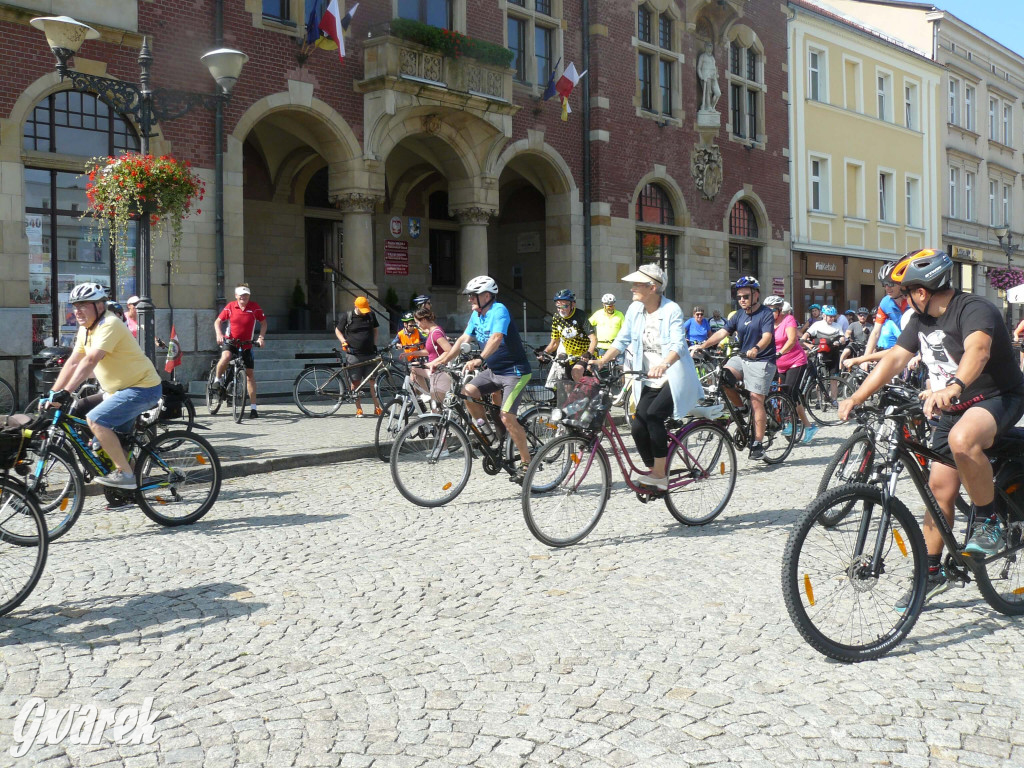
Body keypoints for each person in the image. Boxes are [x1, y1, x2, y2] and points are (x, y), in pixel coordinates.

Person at [839, 249, 1024, 610]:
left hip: (997, 396)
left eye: (903, 291)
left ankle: (989, 524)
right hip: (953, 406)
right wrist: (857, 397)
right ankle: (934, 573)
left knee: (962, 439)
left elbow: (979, 350)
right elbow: (895, 358)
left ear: (921, 292)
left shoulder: (974, 309)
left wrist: (954, 386)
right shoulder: (919, 320)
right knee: (938, 491)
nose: (899, 298)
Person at [596, 263, 704, 490]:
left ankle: (659, 475)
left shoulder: (671, 310)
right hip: (648, 377)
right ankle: (655, 467)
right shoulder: (635, 310)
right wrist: (601, 360)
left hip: (673, 376)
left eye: (637, 284)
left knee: (654, 416)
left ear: (652, 287)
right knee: (637, 426)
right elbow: (622, 339)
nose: (632, 288)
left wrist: (664, 364)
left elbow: (678, 345)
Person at [46, 283, 162, 490]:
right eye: (75, 306)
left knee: (96, 420)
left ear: (100, 306)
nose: (77, 311)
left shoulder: (110, 324)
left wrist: (66, 392)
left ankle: (126, 474)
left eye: (83, 305)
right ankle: (129, 486)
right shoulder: (85, 329)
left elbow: (90, 360)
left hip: (142, 388)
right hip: (116, 391)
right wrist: (54, 392)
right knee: (85, 419)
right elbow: (73, 361)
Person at [429, 276, 534, 479]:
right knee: (467, 392)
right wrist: (442, 361)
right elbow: (462, 340)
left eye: (473, 296)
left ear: (487, 296)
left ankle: (526, 463)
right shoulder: (477, 315)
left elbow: (496, 338)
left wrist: (480, 358)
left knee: (507, 416)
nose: (469, 300)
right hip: (494, 371)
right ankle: (489, 436)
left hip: (515, 372)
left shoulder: (499, 310)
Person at [695, 276, 776, 459]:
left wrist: (756, 348)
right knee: (723, 378)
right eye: (738, 297)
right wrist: (703, 345)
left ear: (756, 295)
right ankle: (741, 408)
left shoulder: (765, 314)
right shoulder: (738, 315)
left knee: (756, 399)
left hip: (762, 360)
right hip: (743, 359)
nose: (741, 300)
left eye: (745, 296)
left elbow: (767, 337)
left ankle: (757, 443)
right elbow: (723, 332)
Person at [765, 295, 817, 443]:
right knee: (788, 394)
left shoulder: (788, 319)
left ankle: (791, 422)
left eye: (773, 310)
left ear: (780, 310)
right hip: (779, 364)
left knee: (789, 392)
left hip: (796, 360)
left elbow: (792, 339)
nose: (770, 313)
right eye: (767, 310)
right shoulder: (767, 323)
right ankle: (807, 426)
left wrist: (780, 353)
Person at [214, 284, 267, 419]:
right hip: (231, 341)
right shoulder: (231, 306)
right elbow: (218, 321)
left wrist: (261, 338)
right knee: (226, 356)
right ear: (236, 296)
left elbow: (264, 323)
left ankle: (254, 409)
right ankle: (217, 380)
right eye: (241, 295)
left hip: (246, 344)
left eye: (246, 295)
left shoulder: (254, 307)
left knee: (249, 375)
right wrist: (219, 334)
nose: (244, 297)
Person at [336, 296, 380, 417]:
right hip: (354, 355)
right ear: (356, 306)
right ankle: (358, 409)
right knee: (356, 383)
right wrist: (343, 341)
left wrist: (375, 344)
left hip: (370, 354)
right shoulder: (348, 316)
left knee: (373, 382)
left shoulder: (371, 315)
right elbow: (338, 330)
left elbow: (375, 330)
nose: (365, 312)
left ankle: (377, 407)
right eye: (362, 309)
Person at [542, 289, 597, 383]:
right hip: (569, 357)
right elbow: (554, 342)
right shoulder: (556, 317)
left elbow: (593, 339)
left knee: (576, 372)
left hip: (584, 355)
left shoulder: (580, 315)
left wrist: (588, 353)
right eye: (558, 306)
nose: (561, 309)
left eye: (564, 306)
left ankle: (584, 395)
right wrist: (544, 352)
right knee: (566, 385)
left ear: (573, 304)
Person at [864, 261, 907, 356]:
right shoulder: (885, 302)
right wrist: (865, 358)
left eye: (891, 284)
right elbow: (875, 332)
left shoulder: (913, 300)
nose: (887, 288)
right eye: (884, 284)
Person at [415, 307, 451, 404]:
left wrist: (433, 363)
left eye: (417, 322)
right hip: (435, 372)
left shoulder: (435, 333)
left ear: (423, 320)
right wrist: (410, 353)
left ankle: (425, 395)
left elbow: (448, 350)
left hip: (440, 372)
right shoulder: (432, 331)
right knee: (414, 367)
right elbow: (430, 351)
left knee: (437, 410)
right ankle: (425, 394)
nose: (417, 325)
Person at [394, 311, 428, 396]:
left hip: (418, 358)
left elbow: (425, 340)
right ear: (405, 324)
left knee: (413, 379)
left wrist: (422, 344)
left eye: (414, 324)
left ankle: (415, 397)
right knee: (413, 381)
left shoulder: (417, 331)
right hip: (408, 359)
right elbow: (393, 343)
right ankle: (416, 398)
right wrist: (397, 345)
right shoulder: (400, 334)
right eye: (410, 325)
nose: (413, 327)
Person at [589, 294, 625, 358]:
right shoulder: (598, 314)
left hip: (615, 347)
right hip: (601, 347)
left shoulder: (620, 314)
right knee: (601, 366)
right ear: (603, 305)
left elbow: (625, 329)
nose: (610, 308)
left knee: (619, 367)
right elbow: (588, 325)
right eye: (608, 306)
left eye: (612, 306)